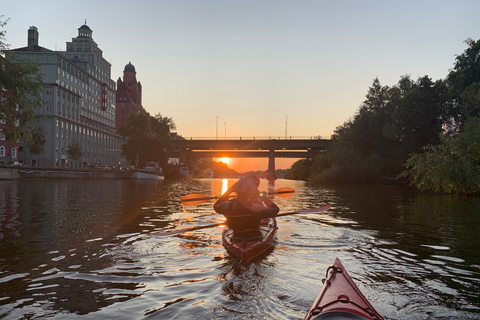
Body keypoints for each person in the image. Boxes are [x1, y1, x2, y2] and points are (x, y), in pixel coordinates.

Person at [214, 176, 279, 231]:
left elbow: (216, 205)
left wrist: (229, 191)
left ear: (236, 190)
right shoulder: (256, 208)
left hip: (235, 237)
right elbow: (275, 209)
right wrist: (260, 194)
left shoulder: (226, 206)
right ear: (251, 191)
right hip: (254, 235)